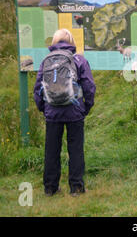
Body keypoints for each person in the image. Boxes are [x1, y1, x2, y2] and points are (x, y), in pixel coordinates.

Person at [33, 29, 96, 197]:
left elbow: (37, 88)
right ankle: (76, 187)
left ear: (54, 42)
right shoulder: (79, 60)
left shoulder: (46, 61)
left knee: (51, 150)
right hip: (74, 111)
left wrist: (44, 108)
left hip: (52, 112)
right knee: (75, 149)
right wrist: (86, 107)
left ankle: (50, 188)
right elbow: (89, 86)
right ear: (71, 41)